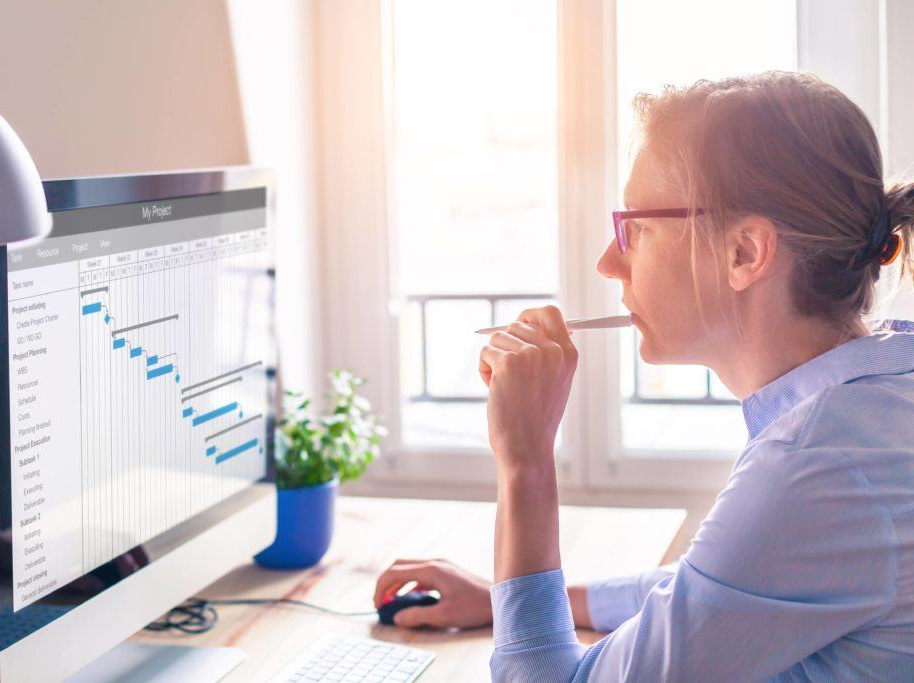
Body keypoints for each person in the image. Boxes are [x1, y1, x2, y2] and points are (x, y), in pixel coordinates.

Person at [373, 71, 914, 681]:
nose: (609, 262)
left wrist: (525, 460)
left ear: (745, 253)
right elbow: (719, 589)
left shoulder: (816, 464)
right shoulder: (877, 403)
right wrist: (511, 600)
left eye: (636, 229)